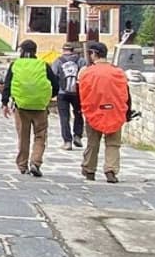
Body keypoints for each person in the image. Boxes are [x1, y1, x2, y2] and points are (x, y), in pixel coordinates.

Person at [1, 40, 59, 176]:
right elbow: (55, 85)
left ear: (21, 51)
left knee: (23, 136)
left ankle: (22, 165)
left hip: (21, 106)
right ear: (35, 51)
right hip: (40, 106)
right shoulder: (43, 65)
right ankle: (36, 161)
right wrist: (47, 97)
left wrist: (4, 103)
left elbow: (7, 85)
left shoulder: (15, 65)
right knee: (40, 136)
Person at [78, 41, 131, 182]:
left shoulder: (87, 73)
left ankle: (89, 169)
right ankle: (111, 170)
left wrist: (80, 109)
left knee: (92, 142)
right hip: (114, 112)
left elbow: (82, 92)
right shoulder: (118, 73)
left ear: (94, 54)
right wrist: (127, 112)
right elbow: (126, 93)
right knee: (113, 144)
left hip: (94, 111)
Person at [52, 42, 85, 151]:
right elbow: (85, 76)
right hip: (77, 92)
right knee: (78, 114)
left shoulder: (58, 61)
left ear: (63, 50)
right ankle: (78, 136)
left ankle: (67, 141)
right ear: (73, 50)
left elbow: (53, 76)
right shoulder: (80, 61)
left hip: (62, 92)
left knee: (64, 117)